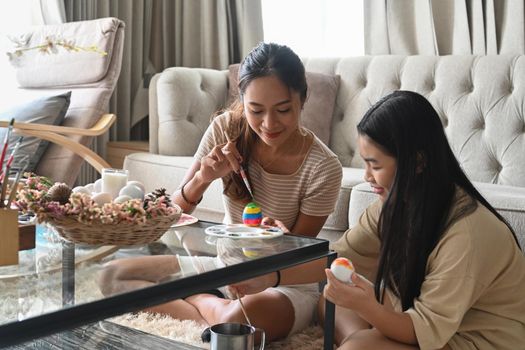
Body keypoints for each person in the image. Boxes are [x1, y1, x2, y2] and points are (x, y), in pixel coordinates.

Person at [230, 90, 525, 349]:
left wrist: (367, 307)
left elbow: (420, 330)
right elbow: (335, 259)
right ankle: (360, 343)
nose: (368, 177)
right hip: (421, 318)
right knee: (332, 301)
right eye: (365, 164)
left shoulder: (467, 233)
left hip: (476, 340)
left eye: (375, 165)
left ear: (418, 162)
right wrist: (272, 276)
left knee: (360, 339)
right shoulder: (395, 205)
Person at [98, 42, 343, 342]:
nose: (269, 124)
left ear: (303, 99)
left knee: (239, 321)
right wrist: (203, 178)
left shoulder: (323, 167)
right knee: (110, 276)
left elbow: (300, 262)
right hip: (222, 267)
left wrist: (280, 242)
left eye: (283, 110)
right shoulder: (225, 129)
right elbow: (173, 216)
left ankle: (198, 301)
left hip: (280, 285)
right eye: (256, 110)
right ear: (242, 100)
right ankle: (211, 312)